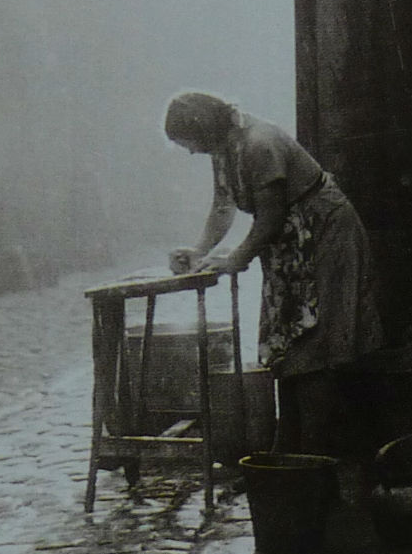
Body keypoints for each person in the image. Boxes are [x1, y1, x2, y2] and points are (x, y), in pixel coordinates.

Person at [164, 90, 383, 456]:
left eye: (190, 142)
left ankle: (316, 454)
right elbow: (223, 206)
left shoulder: (258, 143)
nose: (190, 152)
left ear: (205, 128)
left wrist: (237, 257)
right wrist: (199, 251)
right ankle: (292, 447)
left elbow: (271, 216)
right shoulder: (225, 148)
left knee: (316, 340)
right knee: (289, 343)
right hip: (291, 243)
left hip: (324, 234)